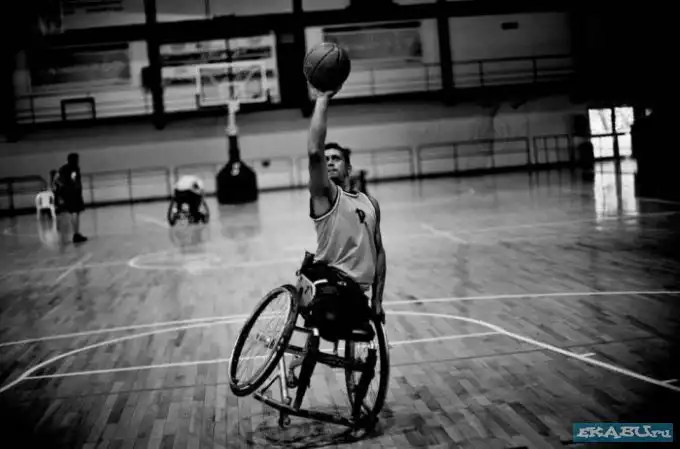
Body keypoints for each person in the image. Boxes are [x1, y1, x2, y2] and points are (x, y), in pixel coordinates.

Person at [306, 86, 387, 324]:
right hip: (330, 283)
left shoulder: (370, 203)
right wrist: (322, 99)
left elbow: (379, 252)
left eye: (336, 158)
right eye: (327, 159)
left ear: (348, 168)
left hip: (357, 291)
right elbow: (314, 151)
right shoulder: (325, 196)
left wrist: (378, 300)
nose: (330, 162)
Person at [54, 153, 87, 243]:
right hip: (74, 194)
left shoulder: (63, 168)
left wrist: (62, 189)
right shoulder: (74, 168)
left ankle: (75, 233)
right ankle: (76, 234)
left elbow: (56, 180)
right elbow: (75, 182)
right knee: (75, 213)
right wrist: (73, 189)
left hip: (67, 194)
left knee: (73, 213)